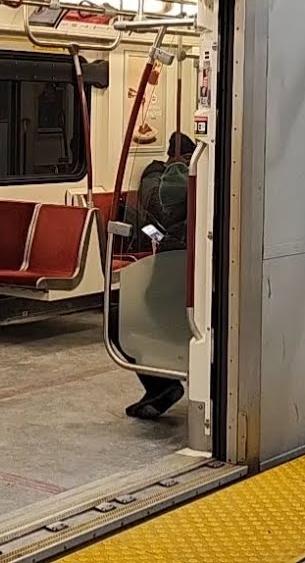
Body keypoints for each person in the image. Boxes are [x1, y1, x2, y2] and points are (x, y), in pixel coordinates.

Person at [125, 131, 194, 419]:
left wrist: (159, 168)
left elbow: (158, 203)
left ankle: (162, 385)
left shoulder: (178, 179)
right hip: (185, 296)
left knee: (126, 318)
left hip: (177, 300)